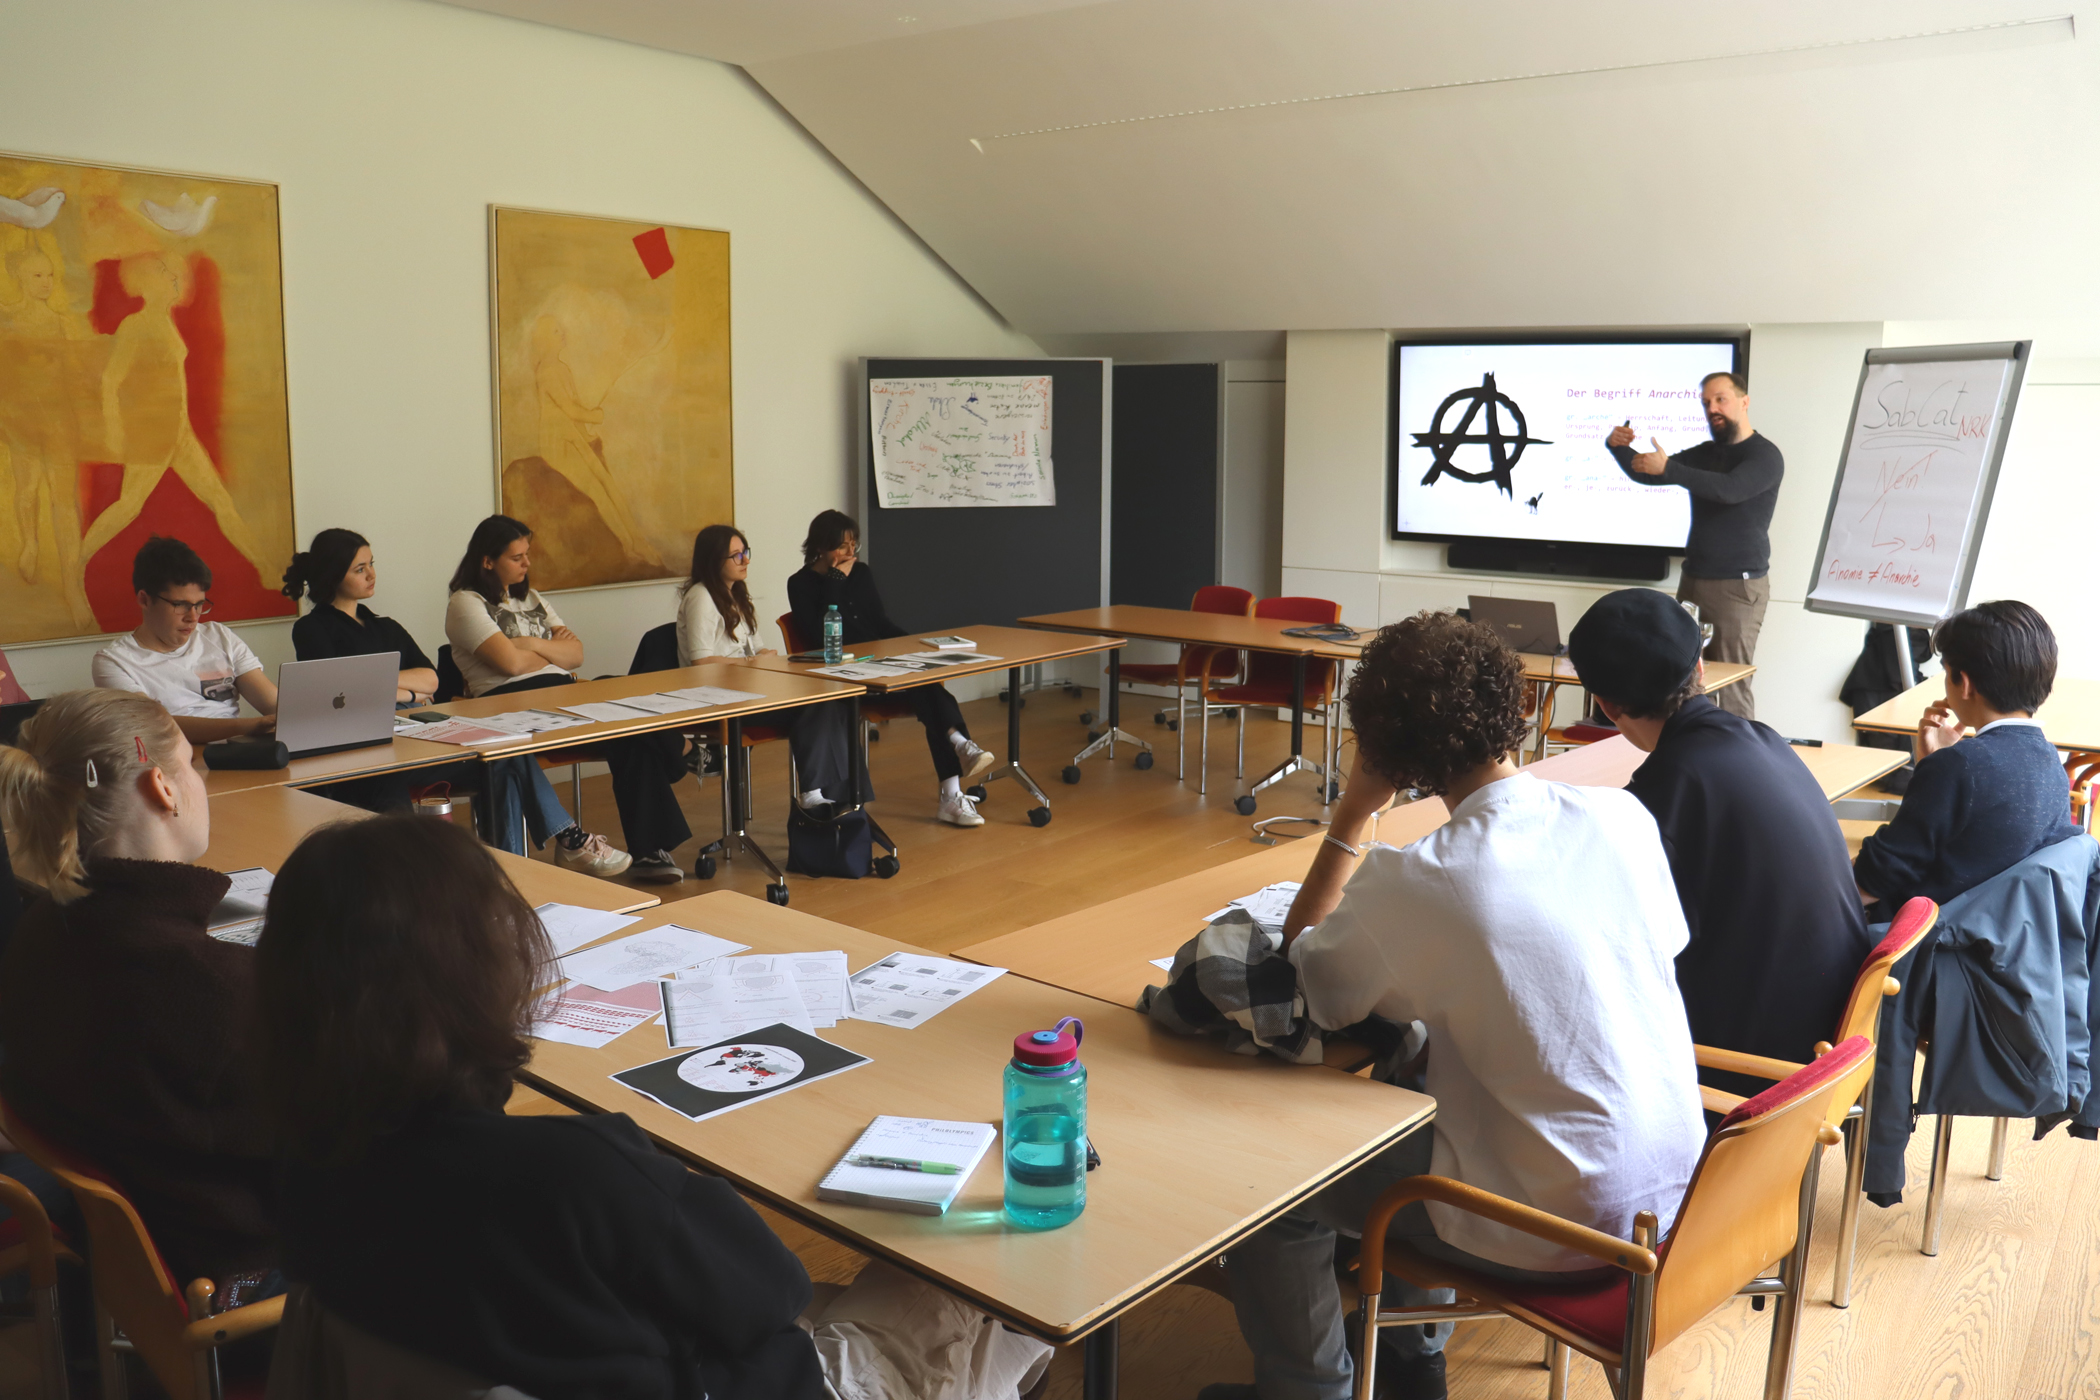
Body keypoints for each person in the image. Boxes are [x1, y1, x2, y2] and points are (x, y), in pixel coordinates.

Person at [255, 815, 1050, 1400]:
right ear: (478, 969)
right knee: (967, 1278)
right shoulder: (576, 1175)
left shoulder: (300, 1158)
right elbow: (772, 1293)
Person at [1203, 613, 1705, 1400]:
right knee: (1429, 1092)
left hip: (1554, 1219)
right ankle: (1412, 1356)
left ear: (1387, 751)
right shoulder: (1621, 815)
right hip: (1677, 1192)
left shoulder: (1420, 878)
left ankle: (1307, 1390)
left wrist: (1353, 813)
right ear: (1517, 705)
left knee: (1274, 1183)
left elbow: (1309, 982)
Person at [0, 689, 275, 1287]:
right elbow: (334, 1144)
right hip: (237, 1284)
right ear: (162, 787)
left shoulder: (43, 928)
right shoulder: (207, 986)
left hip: (131, 1264)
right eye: (193, 764)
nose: (201, 780)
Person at [1567, 588, 1872, 1098]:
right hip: (1834, 1042)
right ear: (1701, 668)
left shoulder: (1661, 797)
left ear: (1605, 705)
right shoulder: (1765, 739)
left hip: (1755, 1071)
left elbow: (1613, 946)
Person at [283, 528, 629, 874]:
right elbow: (338, 691)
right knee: (398, 786)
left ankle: (509, 871)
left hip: (416, 737)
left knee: (502, 755)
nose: (371, 574)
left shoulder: (385, 626)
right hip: (368, 750)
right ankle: (563, 844)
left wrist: (382, 687)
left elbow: (430, 679)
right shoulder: (312, 629)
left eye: (371, 564)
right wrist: (408, 692)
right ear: (334, 575)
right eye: (360, 569)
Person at [445, 515, 688, 883]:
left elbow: (576, 655)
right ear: (487, 561)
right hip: (508, 703)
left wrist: (527, 643)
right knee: (625, 722)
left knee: (622, 702)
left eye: (528, 554)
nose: (527, 564)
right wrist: (548, 651)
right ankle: (680, 753)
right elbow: (510, 665)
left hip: (561, 692)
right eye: (517, 557)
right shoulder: (466, 603)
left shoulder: (532, 598)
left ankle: (648, 851)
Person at [1855, 600, 2079, 912]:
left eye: (1946, 674)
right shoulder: (2049, 760)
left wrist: (1939, 768)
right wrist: (1931, 765)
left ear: (1966, 684)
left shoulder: (1959, 766)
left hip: (1925, 932)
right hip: (1999, 930)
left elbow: (1875, 879)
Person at [787, 511, 992, 828]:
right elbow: (819, 636)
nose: (850, 553)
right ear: (820, 547)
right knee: (928, 692)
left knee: (928, 682)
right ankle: (957, 754)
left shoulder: (862, 573)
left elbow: (880, 623)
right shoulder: (800, 584)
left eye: (853, 545)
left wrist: (913, 645)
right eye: (842, 546)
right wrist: (835, 582)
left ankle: (957, 767)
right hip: (844, 679)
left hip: (883, 667)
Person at [1604, 370, 1780, 720]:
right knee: (1682, 680)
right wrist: (1618, 448)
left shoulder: (1765, 455)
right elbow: (1646, 472)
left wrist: (1670, 468)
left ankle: (1740, 755)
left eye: (1720, 399)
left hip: (1738, 587)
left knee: (1729, 685)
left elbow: (1729, 490)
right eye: (1706, 402)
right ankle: (1691, 747)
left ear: (1744, 401)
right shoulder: (1705, 453)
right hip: (1694, 580)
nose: (1712, 408)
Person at [679, 525, 859, 810]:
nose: (746, 560)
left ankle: (849, 797)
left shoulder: (737, 594)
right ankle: (813, 794)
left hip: (748, 689)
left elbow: (755, 648)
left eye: (745, 552)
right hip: (718, 697)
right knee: (815, 704)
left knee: (832, 701)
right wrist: (751, 662)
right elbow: (700, 664)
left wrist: (765, 655)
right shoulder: (701, 597)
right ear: (714, 560)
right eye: (736, 556)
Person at [90, 535, 278, 745]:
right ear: (144, 600)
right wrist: (250, 726)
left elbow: (274, 703)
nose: (193, 617)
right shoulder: (114, 661)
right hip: (176, 758)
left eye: (199, 605)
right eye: (180, 605)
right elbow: (156, 726)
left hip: (237, 754)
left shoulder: (220, 636)